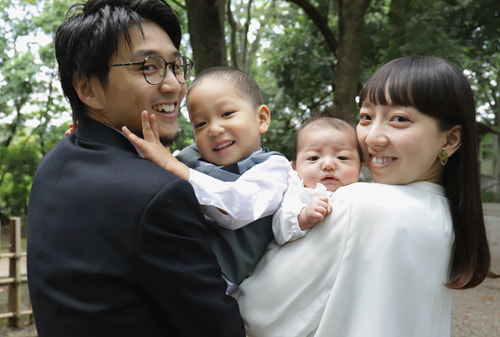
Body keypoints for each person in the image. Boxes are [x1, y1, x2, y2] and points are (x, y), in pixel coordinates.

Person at [26, 1, 245, 336]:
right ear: (87, 88)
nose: (173, 85)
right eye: (149, 67)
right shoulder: (156, 193)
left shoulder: (54, 164)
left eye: (175, 65)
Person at [237, 56, 492, 337]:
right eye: (366, 118)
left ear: (450, 139)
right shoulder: (447, 218)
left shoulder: (359, 205)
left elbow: (258, 311)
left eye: (399, 119)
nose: (373, 138)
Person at [122, 67, 290, 290]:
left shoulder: (273, 168)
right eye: (200, 124)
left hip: (215, 276)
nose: (214, 129)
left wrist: (171, 165)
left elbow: (237, 208)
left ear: (261, 119)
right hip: (170, 254)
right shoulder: (189, 158)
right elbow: (149, 164)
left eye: (227, 114)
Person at [272, 116, 362, 244]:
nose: (328, 165)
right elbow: (279, 228)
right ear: (294, 169)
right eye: (314, 158)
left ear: (360, 167)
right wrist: (304, 217)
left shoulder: (362, 194)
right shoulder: (298, 193)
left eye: (342, 157)